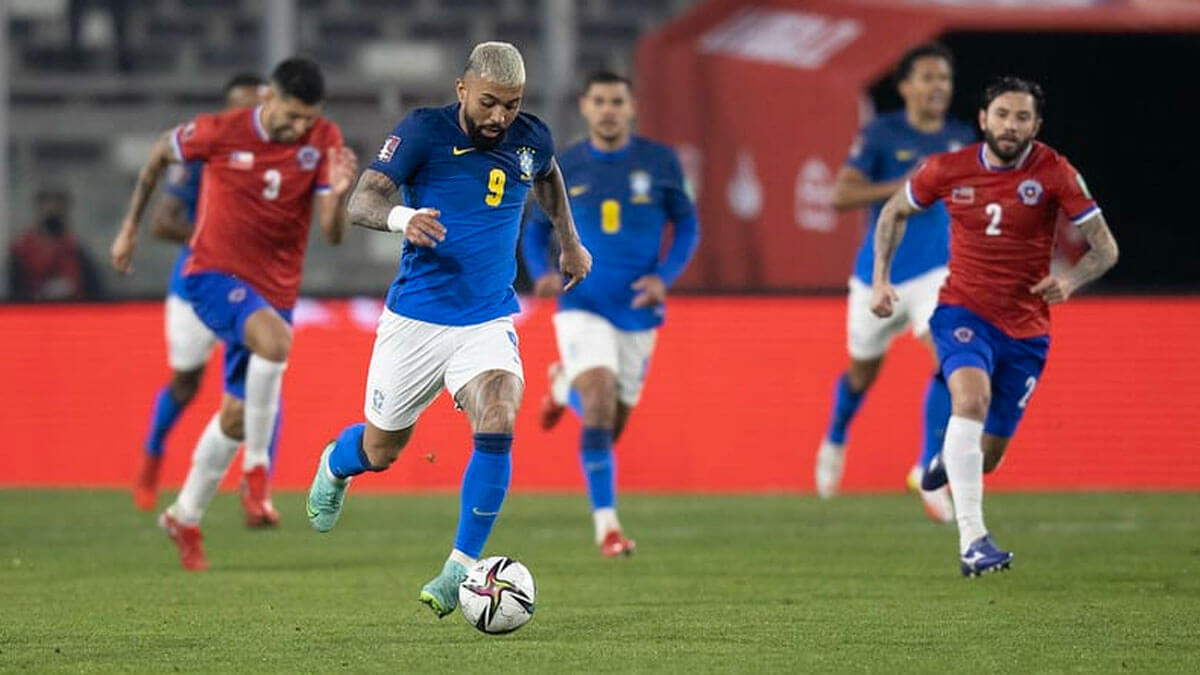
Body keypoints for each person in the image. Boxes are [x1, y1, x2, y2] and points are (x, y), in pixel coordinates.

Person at [303, 42, 591, 617]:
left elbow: (548, 177)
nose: (498, 117)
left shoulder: (531, 137)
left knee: (501, 410)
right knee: (382, 449)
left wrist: (570, 240)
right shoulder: (422, 133)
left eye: (511, 105)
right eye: (488, 103)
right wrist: (404, 218)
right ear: (463, 89)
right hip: (415, 321)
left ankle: (460, 566)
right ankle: (337, 462)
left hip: (485, 318)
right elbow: (363, 200)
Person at [110, 57, 358, 571]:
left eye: (308, 119)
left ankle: (184, 515)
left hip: (276, 291)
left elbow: (332, 234)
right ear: (269, 98)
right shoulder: (220, 132)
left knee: (236, 415)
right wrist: (130, 227)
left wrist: (338, 191)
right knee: (274, 345)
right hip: (212, 275)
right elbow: (159, 152)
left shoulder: (324, 138)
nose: (299, 128)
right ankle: (257, 474)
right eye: (291, 116)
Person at [870, 76, 1118, 576]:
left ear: (1036, 125)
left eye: (1022, 117)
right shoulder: (946, 168)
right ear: (983, 119)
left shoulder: (1056, 172)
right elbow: (894, 211)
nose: (1011, 125)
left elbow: (1105, 247)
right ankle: (973, 541)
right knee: (970, 400)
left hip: (1027, 330)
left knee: (987, 459)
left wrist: (1069, 281)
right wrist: (881, 280)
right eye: (1002, 114)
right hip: (963, 311)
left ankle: (943, 463)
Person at [522, 71, 700, 557]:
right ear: (584, 106)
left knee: (608, 425)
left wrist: (665, 276)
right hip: (582, 303)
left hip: (639, 311)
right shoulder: (566, 165)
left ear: (631, 106)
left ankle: (563, 385)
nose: (607, 109)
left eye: (616, 101)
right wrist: (541, 271)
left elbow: (687, 226)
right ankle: (608, 528)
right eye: (598, 100)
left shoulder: (660, 162)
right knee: (599, 400)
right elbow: (535, 231)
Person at [814, 44, 976, 522]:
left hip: (937, 274)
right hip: (878, 276)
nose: (936, 88)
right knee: (861, 374)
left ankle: (927, 469)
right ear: (905, 86)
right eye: (926, 78)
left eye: (943, 79)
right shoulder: (882, 135)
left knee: (951, 361)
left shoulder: (961, 137)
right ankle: (836, 436)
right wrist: (909, 185)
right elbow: (842, 195)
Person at [133, 73, 267, 514]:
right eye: (242, 108)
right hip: (195, 289)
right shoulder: (199, 157)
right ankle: (153, 450)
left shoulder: (277, 158)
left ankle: (256, 488)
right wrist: (217, 239)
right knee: (186, 382)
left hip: (249, 287)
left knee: (262, 377)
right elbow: (163, 222)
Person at [9, 189, 105, 301]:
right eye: (48, 206)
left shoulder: (77, 250)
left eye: (58, 206)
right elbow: (14, 289)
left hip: (72, 311)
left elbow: (95, 289)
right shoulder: (22, 251)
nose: (53, 210)